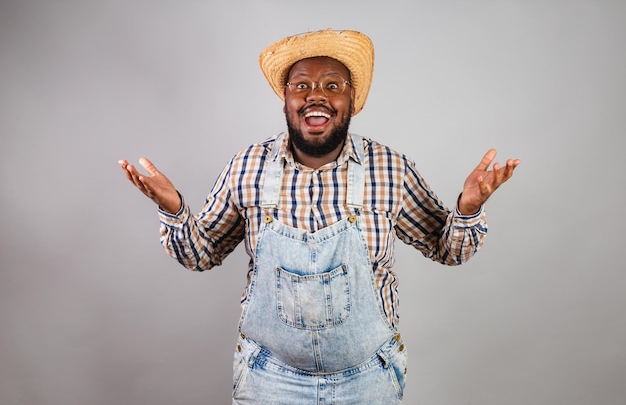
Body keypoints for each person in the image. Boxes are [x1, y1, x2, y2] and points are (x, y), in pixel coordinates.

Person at [118, 29, 519, 404]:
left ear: (351, 98)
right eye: (302, 85)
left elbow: (448, 249)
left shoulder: (391, 169)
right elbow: (200, 254)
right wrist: (173, 209)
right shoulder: (247, 167)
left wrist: (468, 209)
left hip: (369, 380)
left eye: (332, 85)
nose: (317, 96)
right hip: (268, 379)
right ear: (286, 98)